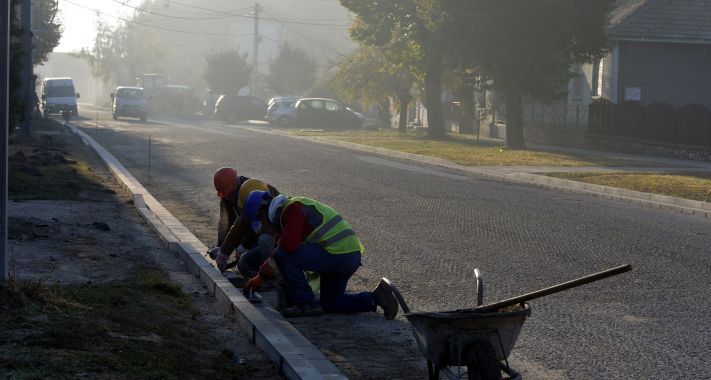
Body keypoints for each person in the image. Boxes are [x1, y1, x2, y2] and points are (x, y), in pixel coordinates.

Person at [242, 190, 399, 319]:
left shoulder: (293, 208)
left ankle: (305, 303)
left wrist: (265, 275)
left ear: (264, 211)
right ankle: (376, 298)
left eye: (261, 221)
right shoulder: (286, 215)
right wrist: (260, 277)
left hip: (339, 255)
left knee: (284, 254)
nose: (263, 226)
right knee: (331, 303)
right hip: (345, 256)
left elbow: (287, 248)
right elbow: (279, 253)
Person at [208, 168, 278, 275]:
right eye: (222, 194)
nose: (224, 197)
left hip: (273, 238)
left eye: (224, 193)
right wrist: (221, 250)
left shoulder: (255, 193)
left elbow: (259, 226)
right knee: (242, 263)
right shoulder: (229, 197)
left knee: (263, 240)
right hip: (256, 233)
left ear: (232, 187)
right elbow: (228, 225)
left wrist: (244, 245)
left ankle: (270, 274)